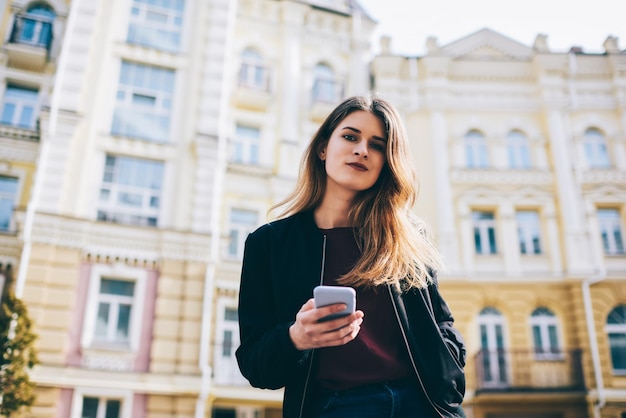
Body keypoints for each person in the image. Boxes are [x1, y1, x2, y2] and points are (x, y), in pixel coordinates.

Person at [236, 94, 466, 418]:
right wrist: (296, 337)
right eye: (350, 136)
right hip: (335, 406)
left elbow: (442, 322)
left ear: (387, 162)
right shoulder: (269, 244)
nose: (362, 150)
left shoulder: (408, 238)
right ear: (322, 148)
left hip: (424, 403)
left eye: (377, 145)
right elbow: (255, 364)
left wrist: (450, 363)